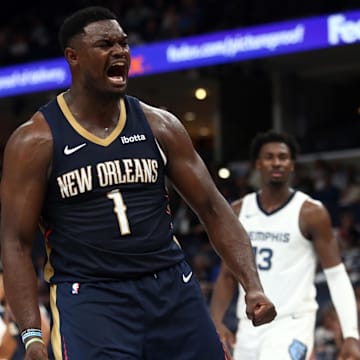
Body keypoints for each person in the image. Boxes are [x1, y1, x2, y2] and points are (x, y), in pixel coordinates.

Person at [0, 6, 276, 360]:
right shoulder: (34, 141)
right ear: (73, 57)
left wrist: (252, 285)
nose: (120, 52)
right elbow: (16, 243)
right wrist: (31, 334)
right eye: (105, 44)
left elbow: (212, 208)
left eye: (124, 43)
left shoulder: (160, 125)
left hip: (171, 285)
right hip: (92, 297)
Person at [210, 130, 360, 360]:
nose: (276, 162)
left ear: (292, 165)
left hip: (292, 323)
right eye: (269, 157)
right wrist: (215, 320)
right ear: (257, 164)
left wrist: (351, 334)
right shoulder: (239, 211)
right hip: (249, 324)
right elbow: (228, 274)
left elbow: (337, 275)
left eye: (283, 157)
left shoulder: (311, 212)